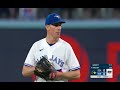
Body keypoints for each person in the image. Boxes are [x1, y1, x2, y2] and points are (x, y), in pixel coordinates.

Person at [22, 13, 80, 82]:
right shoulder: (36, 46)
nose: (59, 28)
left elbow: (77, 74)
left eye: (60, 25)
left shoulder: (66, 47)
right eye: (56, 25)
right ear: (47, 27)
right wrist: (38, 68)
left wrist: (60, 75)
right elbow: (25, 72)